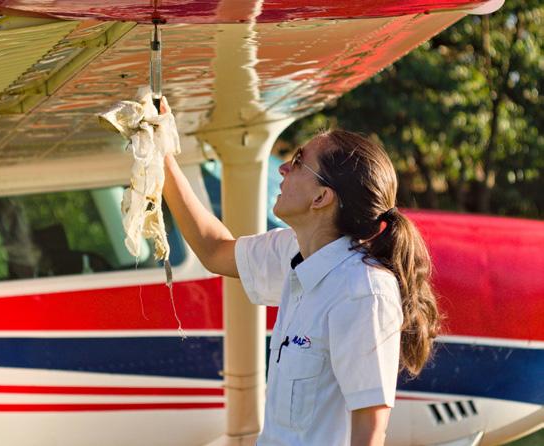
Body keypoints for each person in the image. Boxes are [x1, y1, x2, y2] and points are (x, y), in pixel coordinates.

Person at [162, 128, 440, 446]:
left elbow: (370, 429)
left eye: (297, 161)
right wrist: (161, 155)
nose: (283, 167)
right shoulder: (294, 251)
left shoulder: (363, 291)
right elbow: (214, 251)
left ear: (321, 197)